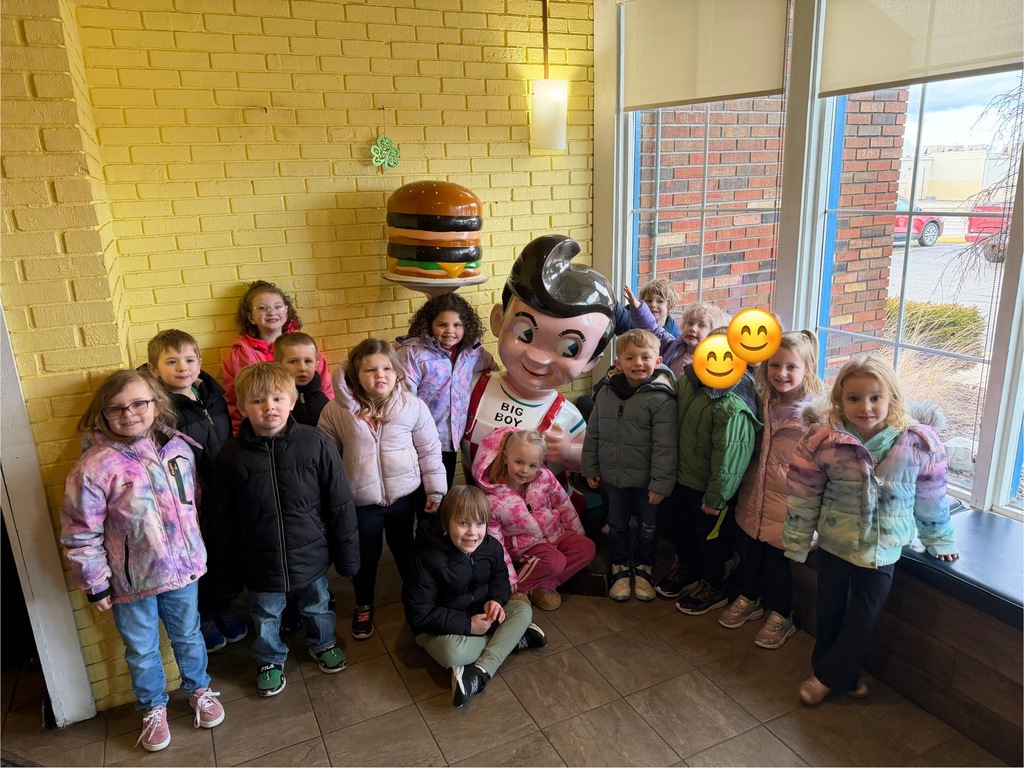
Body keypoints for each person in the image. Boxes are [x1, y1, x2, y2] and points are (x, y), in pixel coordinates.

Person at [60, 370, 225, 752]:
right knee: (142, 648)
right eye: (116, 408)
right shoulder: (93, 468)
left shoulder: (178, 448)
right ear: (102, 414)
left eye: (138, 403)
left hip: (183, 571)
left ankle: (199, 689)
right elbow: (80, 531)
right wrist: (95, 581)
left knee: (189, 634)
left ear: (156, 404)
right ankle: (153, 706)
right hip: (131, 582)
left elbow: (193, 502)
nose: (129, 413)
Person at [784, 353, 958, 704]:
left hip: (884, 547)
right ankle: (839, 675)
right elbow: (804, 493)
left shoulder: (918, 444)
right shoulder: (824, 442)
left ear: (891, 398)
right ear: (839, 401)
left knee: (864, 615)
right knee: (830, 608)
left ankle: (826, 678)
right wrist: (798, 540)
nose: (866, 407)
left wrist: (938, 537)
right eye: (854, 398)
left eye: (876, 397)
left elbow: (931, 495)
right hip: (835, 541)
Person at [211, 363, 359, 698]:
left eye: (278, 398)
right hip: (259, 560)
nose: (269, 407)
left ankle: (322, 643)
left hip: (311, 553)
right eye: (258, 401)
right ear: (243, 407)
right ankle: (269, 658)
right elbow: (221, 519)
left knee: (318, 605)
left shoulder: (315, 443)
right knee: (264, 613)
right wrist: (227, 572)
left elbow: (338, 503)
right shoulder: (230, 457)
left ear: (292, 401)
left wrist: (347, 557)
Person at [319, 338, 446, 640]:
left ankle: (416, 601)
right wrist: (331, 500)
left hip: (404, 498)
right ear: (354, 374)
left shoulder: (413, 407)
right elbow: (327, 460)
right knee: (365, 556)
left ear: (398, 372)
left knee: (405, 551)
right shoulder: (336, 410)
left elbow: (429, 450)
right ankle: (364, 603)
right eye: (370, 369)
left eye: (387, 368)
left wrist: (435, 490)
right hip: (362, 503)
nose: (380, 375)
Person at [463, 235, 616, 476]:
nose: (538, 358)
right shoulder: (473, 388)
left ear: (591, 362)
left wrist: (567, 452)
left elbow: (591, 460)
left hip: (539, 511)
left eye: (569, 349)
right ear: (498, 321)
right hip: (478, 509)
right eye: (524, 333)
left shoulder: (566, 416)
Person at [403, 486, 548, 709]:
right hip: (439, 629)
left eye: (480, 524)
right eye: (463, 523)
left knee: (522, 610)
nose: (473, 532)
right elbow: (420, 615)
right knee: (452, 653)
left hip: (480, 614)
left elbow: (501, 580)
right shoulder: (426, 559)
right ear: (445, 523)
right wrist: (467, 625)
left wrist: (496, 600)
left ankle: (479, 672)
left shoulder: (491, 547)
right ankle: (510, 641)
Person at [145, 329, 245, 653]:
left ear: (200, 362)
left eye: (189, 360)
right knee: (197, 561)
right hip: (190, 502)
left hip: (225, 491)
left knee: (224, 556)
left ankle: (226, 608)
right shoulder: (159, 409)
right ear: (153, 368)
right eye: (171, 361)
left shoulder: (212, 395)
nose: (182, 367)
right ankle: (205, 617)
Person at [722, 331, 824, 648]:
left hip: (789, 506)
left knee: (779, 564)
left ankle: (782, 614)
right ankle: (750, 597)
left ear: (807, 370)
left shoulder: (816, 417)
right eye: (775, 365)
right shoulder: (764, 400)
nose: (781, 373)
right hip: (758, 495)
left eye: (791, 367)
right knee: (752, 552)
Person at [657, 328, 762, 615]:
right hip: (684, 477)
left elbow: (732, 455)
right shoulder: (690, 381)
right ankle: (689, 569)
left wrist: (717, 497)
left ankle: (714, 584)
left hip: (710, 488)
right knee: (685, 531)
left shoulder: (733, 402)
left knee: (712, 541)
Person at [581, 330, 677, 602]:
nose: (638, 363)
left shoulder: (662, 399)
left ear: (657, 361)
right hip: (614, 477)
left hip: (648, 482)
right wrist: (590, 467)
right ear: (618, 362)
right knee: (617, 524)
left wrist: (660, 484)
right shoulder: (606, 393)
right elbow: (594, 432)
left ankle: (644, 567)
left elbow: (666, 447)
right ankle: (620, 566)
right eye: (630, 357)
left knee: (648, 527)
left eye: (645, 357)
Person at [472, 427, 595, 611]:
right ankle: (516, 589)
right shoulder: (493, 500)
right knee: (555, 561)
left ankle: (543, 585)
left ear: (540, 464)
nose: (525, 470)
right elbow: (495, 543)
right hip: (525, 550)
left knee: (587, 547)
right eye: (519, 462)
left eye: (532, 466)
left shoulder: (545, 478)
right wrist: (509, 576)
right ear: (506, 457)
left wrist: (576, 534)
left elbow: (563, 505)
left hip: (555, 537)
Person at [397, 292, 497, 489]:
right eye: (442, 324)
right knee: (420, 496)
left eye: (457, 325)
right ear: (430, 324)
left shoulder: (472, 352)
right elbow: (403, 398)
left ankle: (439, 520)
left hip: (450, 440)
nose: (450, 331)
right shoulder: (413, 353)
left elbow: (492, 370)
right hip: (419, 440)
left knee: (442, 493)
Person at [221, 280, 333, 432]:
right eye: (262, 308)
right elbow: (234, 401)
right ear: (250, 317)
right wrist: (238, 433)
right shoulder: (238, 356)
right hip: (263, 432)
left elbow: (327, 390)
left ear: (286, 312)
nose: (271, 312)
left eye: (278, 307)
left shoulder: (305, 347)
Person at [622, 285, 727, 379]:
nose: (693, 328)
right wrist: (637, 307)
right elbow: (652, 328)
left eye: (702, 326)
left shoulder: (710, 363)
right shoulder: (673, 346)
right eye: (690, 323)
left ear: (713, 333)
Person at [274, 331, 330, 427]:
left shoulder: (324, 402)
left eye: (308, 361)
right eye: (293, 361)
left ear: (316, 365)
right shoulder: (273, 402)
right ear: (278, 365)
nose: (302, 368)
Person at [611, 278, 681, 338]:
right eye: (649, 300)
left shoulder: (674, 335)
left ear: (671, 307)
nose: (653, 305)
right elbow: (616, 310)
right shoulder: (632, 320)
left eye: (660, 301)